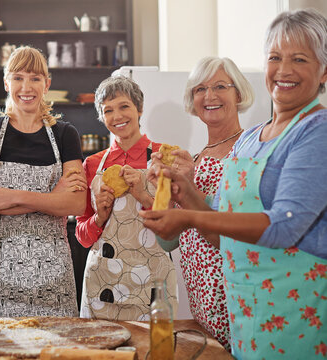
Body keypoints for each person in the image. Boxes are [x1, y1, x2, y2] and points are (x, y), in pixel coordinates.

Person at [141, 9, 327, 359]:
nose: (284, 69)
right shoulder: (251, 140)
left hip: (295, 307)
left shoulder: (316, 131)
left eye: (299, 59)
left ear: (324, 71)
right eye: (275, 57)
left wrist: (189, 217)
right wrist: (182, 189)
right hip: (247, 307)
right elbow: (217, 232)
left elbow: (284, 227)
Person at [0, 46, 86, 318]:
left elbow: (77, 203)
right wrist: (53, 197)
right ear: (7, 82)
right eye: (19, 77)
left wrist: (9, 197)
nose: (27, 86)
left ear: (47, 84)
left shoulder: (65, 135)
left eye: (35, 78)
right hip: (0, 271)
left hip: (54, 273)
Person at [152, 56, 254, 348]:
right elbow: (168, 242)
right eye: (200, 89)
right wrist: (161, 190)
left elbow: (237, 233)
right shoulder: (194, 158)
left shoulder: (248, 151)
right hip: (201, 305)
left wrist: (189, 185)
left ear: (238, 93)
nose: (209, 96)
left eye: (220, 86)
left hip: (237, 295)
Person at [75, 75, 177, 321]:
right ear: (102, 117)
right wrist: (99, 217)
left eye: (124, 106)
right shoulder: (92, 164)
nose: (117, 116)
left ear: (139, 109)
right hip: (104, 280)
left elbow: (174, 229)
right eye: (108, 110)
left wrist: (142, 195)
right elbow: (82, 237)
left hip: (154, 278)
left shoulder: (164, 157)